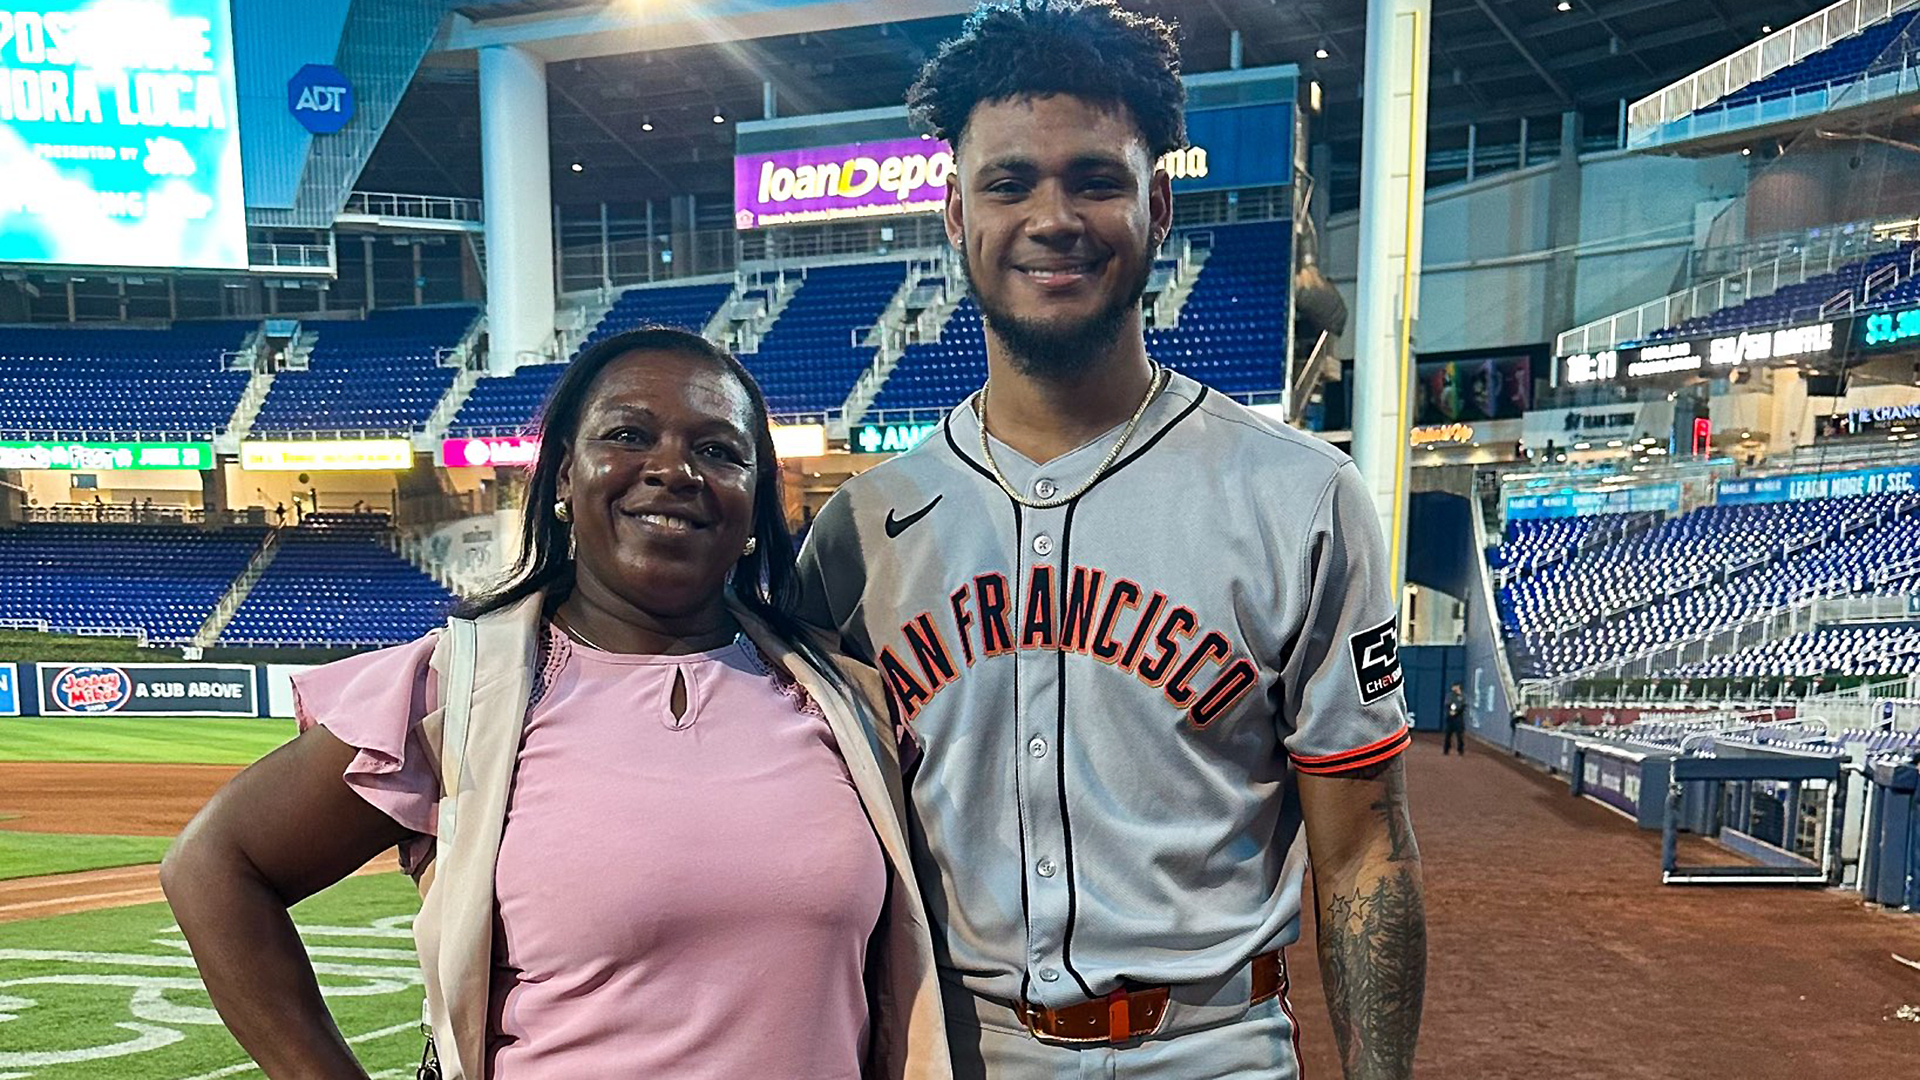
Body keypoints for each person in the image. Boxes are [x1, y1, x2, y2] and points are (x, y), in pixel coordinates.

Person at [796, 4, 1426, 1077]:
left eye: (1094, 179)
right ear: (954, 214)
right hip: (961, 1048)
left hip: (1214, 1046)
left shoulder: (1301, 496)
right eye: (1008, 184)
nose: (1052, 217)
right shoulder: (856, 533)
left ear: (1159, 203)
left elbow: (1363, 848)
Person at [163, 328, 951, 1080]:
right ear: (565, 478)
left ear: (755, 506)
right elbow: (213, 865)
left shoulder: (850, 703)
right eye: (628, 435)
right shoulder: (456, 690)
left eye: (718, 450)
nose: (673, 470)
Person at [1442, 683, 1467, 755]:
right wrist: (1450, 712)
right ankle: (1446, 750)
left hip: (1458, 719)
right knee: (1448, 735)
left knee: (1459, 735)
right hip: (1450, 719)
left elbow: (1463, 706)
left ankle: (1460, 750)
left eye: (1455, 687)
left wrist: (1456, 712)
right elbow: (1447, 705)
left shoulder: (1462, 696)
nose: (1453, 688)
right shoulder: (1449, 696)